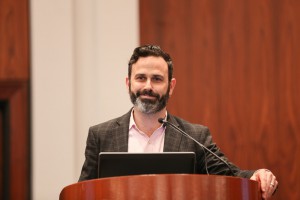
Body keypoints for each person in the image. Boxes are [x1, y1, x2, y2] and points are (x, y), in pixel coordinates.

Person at [79, 44, 278, 199]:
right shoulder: (101, 135)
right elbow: (82, 192)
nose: (148, 86)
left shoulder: (195, 136)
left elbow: (231, 176)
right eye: (141, 78)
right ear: (128, 83)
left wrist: (259, 175)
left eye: (157, 79)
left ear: (171, 86)